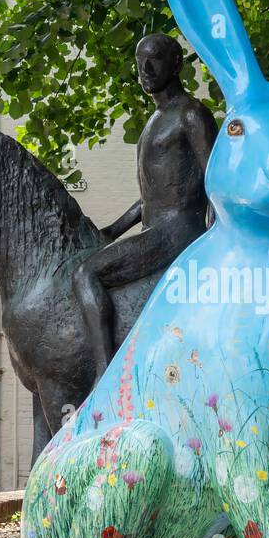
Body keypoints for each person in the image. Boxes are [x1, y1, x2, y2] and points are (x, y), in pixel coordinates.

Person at [73, 33, 218, 372]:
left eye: (154, 59)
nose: (146, 69)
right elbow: (152, 198)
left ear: (176, 63)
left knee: (85, 274)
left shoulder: (191, 115)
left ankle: (103, 376)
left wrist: (214, 243)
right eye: (140, 63)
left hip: (177, 234)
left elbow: (215, 181)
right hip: (158, 229)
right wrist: (113, 229)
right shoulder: (154, 122)